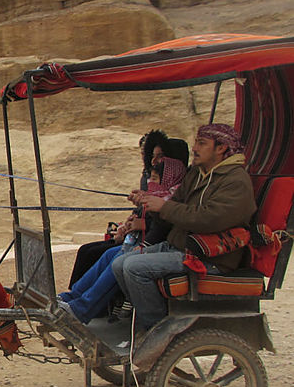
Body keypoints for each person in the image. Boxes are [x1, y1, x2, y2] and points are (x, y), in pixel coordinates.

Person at [111, 123, 256, 338]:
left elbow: (209, 219)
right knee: (119, 263)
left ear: (222, 149)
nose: (195, 148)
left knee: (134, 267)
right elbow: (174, 205)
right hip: (181, 245)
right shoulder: (198, 174)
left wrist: (164, 206)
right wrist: (149, 202)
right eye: (196, 142)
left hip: (211, 257)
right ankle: (149, 318)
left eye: (202, 143)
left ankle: (156, 333)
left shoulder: (235, 181)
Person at [58, 147, 186, 323]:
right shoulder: (161, 194)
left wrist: (143, 229)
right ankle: (73, 296)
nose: (151, 183)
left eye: (155, 179)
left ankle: (83, 308)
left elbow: (162, 226)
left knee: (121, 260)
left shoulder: (173, 197)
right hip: (144, 238)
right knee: (107, 254)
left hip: (159, 243)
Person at [68, 130, 175, 286]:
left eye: (159, 156)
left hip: (150, 240)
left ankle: (86, 303)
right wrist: (129, 223)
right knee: (88, 251)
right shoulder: (149, 176)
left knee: (115, 259)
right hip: (138, 234)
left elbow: (166, 223)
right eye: (151, 156)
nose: (154, 161)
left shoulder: (173, 186)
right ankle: (75, 296)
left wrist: (142, 225)